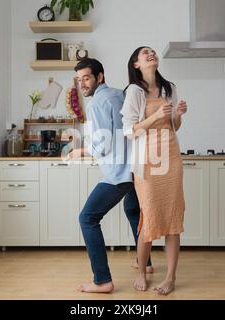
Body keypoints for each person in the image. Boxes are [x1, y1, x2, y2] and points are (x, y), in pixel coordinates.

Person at [67, 58, 152, 294]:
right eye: (79, 79)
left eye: (86, 78)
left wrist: (80, 149)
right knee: (133, 210)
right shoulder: (119, 94)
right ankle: (145, 262)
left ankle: (102, 280)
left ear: (99, 77)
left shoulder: (96, 103)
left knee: (87, 218)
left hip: (118, 173)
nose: (82, 84)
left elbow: (102, 145)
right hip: (136, 168)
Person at [121, 46, 188, 295]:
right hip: (147, 162)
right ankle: (141, 270)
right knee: (148, 216)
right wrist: (156, 114)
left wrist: (178, 115)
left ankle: (170, 277)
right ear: (136, 64)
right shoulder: (134, 92)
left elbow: (173, 127)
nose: (151, 54)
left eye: (152, 51)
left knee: (172, 219)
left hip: (170, 159)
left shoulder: (168, 88)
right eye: (144, 53)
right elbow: (129, 131)